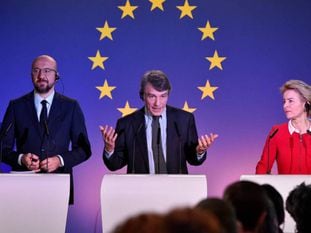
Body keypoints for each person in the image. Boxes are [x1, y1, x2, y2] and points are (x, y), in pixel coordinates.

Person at [0, 55, 91, 204]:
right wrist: (21, 158)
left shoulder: (71, 107)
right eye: (36, 71)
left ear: (56, 76)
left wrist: (59, 160)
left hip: (58, 188)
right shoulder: (16, 107)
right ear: (31, 75)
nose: (41, 76)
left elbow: (84, 149)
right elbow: (2, 148)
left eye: (47, 71)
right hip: (22, 188)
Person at [100, 70, 218, 174]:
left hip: (177, 192)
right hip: (140, 192)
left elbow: (193, 160)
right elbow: (114, 165)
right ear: (142, 96)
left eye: (163, 96)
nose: (158, 103)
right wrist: (109, 149)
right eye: (152, 96)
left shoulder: (184, 120)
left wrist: (199, 151)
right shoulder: (127, 124)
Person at [256, 80, 311, 174]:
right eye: (284, 101)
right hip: (286, 188)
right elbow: (263, 168)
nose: (285, 106)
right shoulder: (276, 132)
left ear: (306, 103)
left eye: (290, 101)